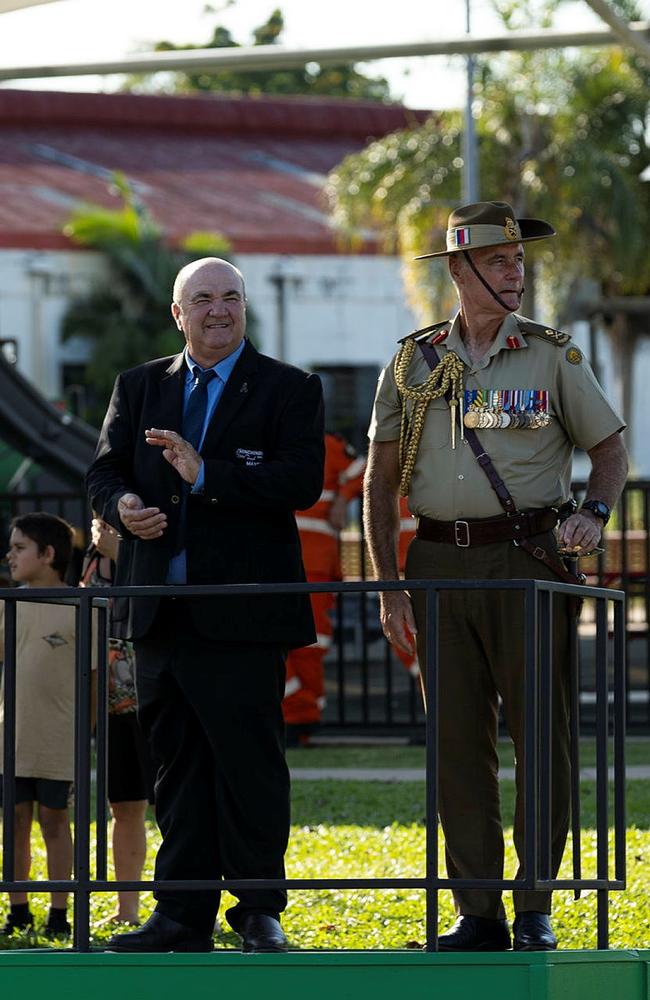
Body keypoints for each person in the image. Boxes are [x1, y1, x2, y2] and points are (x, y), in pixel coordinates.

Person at [364, 201, 628, 952]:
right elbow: (380, 488)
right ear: (460, 270)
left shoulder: (551, 355)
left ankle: (535, 901)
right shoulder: (411, 362)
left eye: (521, 261)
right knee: (454, 740)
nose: (517, 273)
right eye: (501, 261)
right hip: (437, 564)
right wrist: (390, 587)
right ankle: (478, 910)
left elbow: (609, 450)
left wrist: (596, 512)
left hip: (527, 561)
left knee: (542, 735)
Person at [86, 256, 324, 954]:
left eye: (230, 298)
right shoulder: (139, 386)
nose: (218, 311)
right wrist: (124, 507)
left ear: (244, 307)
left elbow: (301, 480)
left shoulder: (289, 388)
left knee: (248, 765)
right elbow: (104, 469)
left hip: (243, 614)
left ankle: (257, 910)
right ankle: (180, 915)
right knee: (176, 769)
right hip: (160, 609)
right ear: (177, 313)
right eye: (203, 300)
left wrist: (208, 475)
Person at [0, 513, 82, 940]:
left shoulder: (80, 605)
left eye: (19, 548)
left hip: (58, 739)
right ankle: (18, 907)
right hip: (12, 737)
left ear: (48, 555)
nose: (10, 556)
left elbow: (92, 677)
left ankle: (59, 909)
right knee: (13, 822)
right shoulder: (7, 603)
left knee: (54, 821)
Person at [79, 515, 156, 927]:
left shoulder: (148, 541)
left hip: (157, 696)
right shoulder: (91, 557)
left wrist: (124, 554)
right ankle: (127, 909)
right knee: (123, 808)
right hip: (110, 706)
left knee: (180, 805)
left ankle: (194, 906)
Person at [284, 432, 365, 746]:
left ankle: (301, 718)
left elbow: (363, 470)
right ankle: (297, 714)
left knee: (310, 644)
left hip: (314, 563)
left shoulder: (326, 444)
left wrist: (343, 499)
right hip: (275, 560)